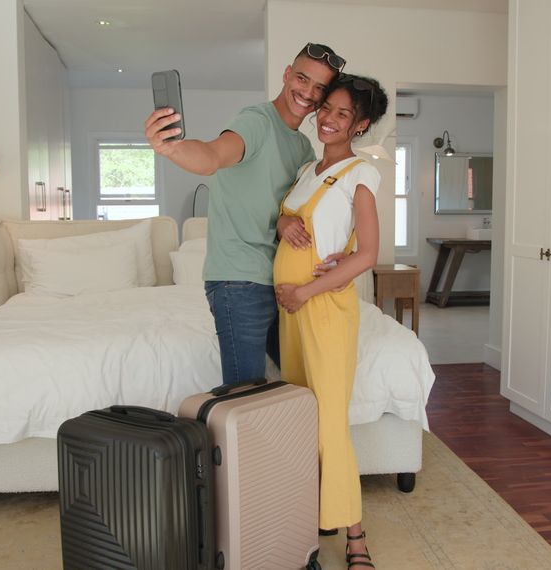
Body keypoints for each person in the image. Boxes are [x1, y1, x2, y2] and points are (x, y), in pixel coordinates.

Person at [145, 43, 346, 386]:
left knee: (303, 382)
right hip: (239, 282)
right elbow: (211, 156)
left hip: (280, 282)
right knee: (244, 396)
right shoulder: (256, 122)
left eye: (319, 88)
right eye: (302, 78)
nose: (308, 93)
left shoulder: (302, 148)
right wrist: (172, 147)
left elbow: (300, 212)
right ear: (287, 75)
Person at [274, 73, 388, 570]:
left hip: (320, 306)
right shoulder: (306, 169)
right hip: (293, 308)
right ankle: (316, 515)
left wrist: (306, 291)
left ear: (359, 124)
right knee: (303, 416)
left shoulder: (361, 174)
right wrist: (282, 222)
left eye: (343, 113)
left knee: (328, 425)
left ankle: (356, 536)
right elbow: (286, 220)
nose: (328, 118)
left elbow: (367, 255)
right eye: (327, 108)